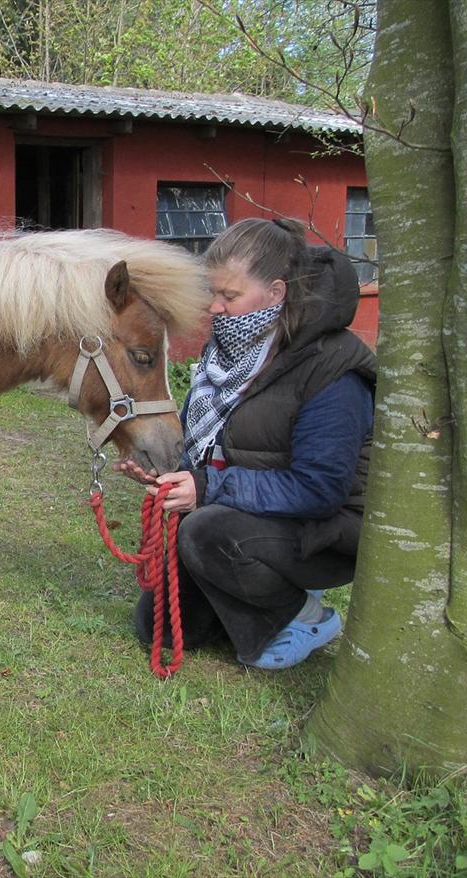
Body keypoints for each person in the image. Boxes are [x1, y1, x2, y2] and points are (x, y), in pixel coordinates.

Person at [115, 217, 375, 669]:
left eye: (228, 296)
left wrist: (208, 489)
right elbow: (219, 447)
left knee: (205, 531)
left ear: (276, 293)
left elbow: (321, 490)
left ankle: (304, 614)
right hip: (247, 512)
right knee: (161, 629)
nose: (215, 308)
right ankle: (248, 600)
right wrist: (173, 475)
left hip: (324, 530)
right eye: (213, 294)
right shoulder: (229, 354)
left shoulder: (332, 369)